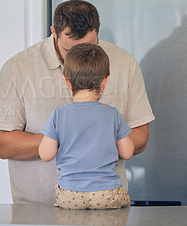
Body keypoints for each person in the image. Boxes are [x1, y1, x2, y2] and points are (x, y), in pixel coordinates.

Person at [0, 0, 155, 204]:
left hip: (106, 211)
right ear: (54, 32)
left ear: (99, 29)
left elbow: (141, 136)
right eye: (70, 51)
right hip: (36, 212)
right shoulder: (17, 68)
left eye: (88, 48)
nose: (79, 60)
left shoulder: (125, 63)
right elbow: (3, 144)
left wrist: (82, 137)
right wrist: (74, 137)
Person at [39, 43, 134, 209]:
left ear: (66, 80)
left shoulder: (58, 114)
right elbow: (127, 152)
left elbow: (46, 154)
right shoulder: (112, 114)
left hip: (70, 195)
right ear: (105, 81)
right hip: (107, 194)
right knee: (125, 204)